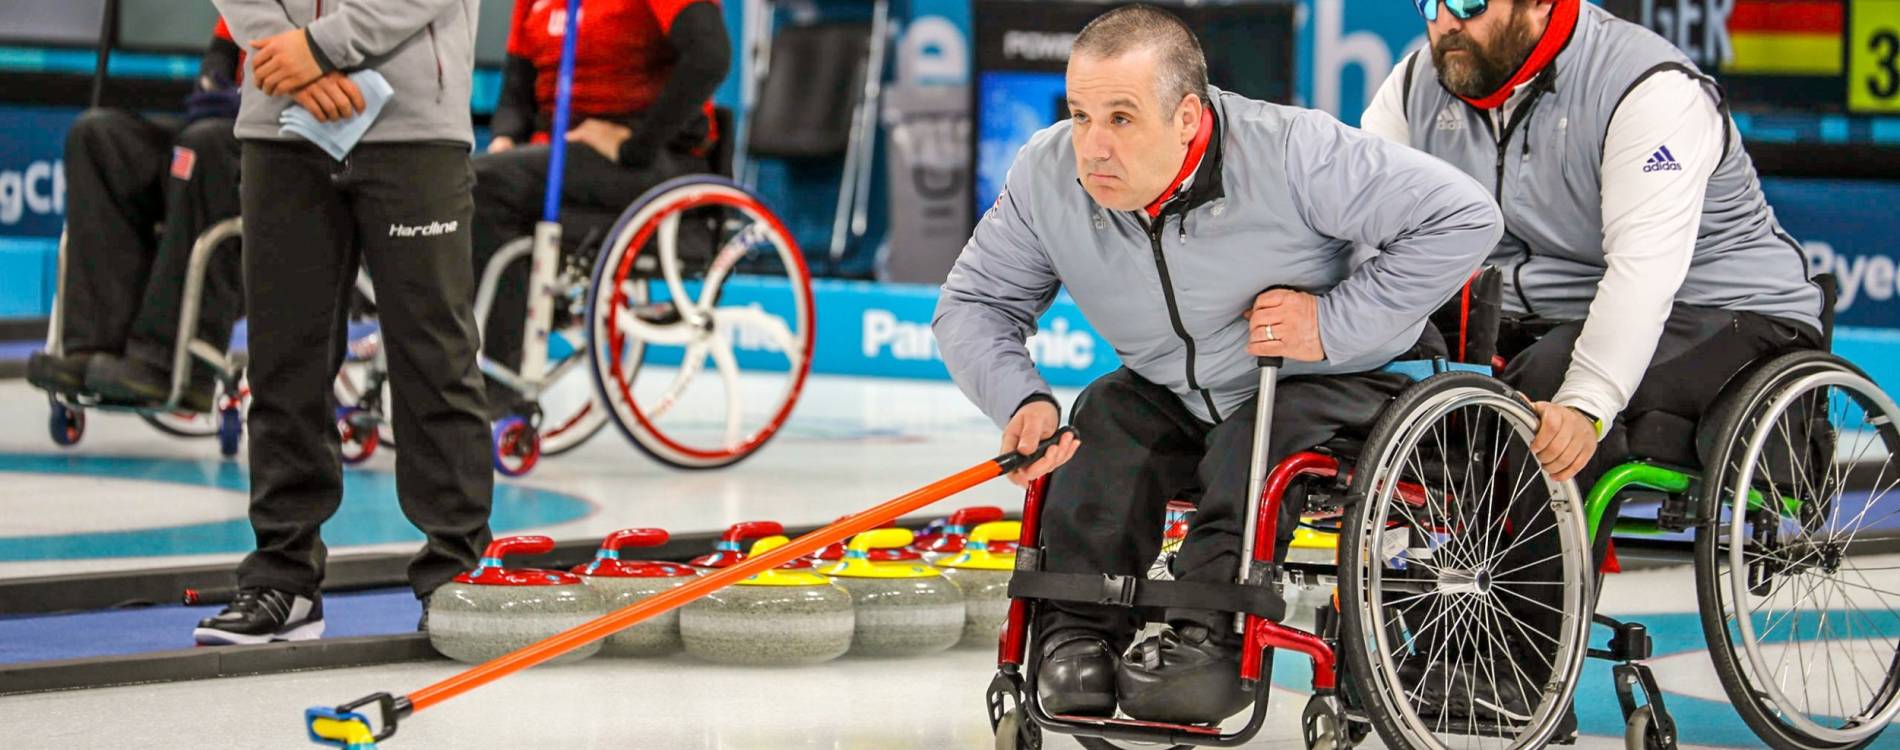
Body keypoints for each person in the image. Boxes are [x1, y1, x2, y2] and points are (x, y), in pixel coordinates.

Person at [933, 4, 1501, 725]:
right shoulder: (1047, 176)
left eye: (1121, 118)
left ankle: (1211, 635)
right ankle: (1076, 631)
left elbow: (1466, 217)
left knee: (1259, 431)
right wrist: (1020, 399)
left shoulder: (1294, 152)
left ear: (1187, 117)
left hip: (1341, 380)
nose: (1093, 147)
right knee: (1103, 415)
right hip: (1183, 392)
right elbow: (975, 302)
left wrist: (1330, 323)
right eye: (1080, 116)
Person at [1360, 0, 1825, 725]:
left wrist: (1587, 401)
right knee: (1393, 381)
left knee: (1545, 389)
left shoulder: (1647, 86)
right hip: (1545, 315)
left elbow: (1644, 272)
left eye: (1470, 2)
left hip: (1726, 310)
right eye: (1429, 1)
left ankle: (1521, 669)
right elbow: (1363, 233)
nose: (1445, 20)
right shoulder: (1418, 84)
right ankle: (1399, 636)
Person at [196, 0, 494, 645]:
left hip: (413, 127)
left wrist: (321, 47)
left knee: (435, 360)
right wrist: (286, 55)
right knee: (283, 362)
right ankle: (284, 577)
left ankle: (458, 574)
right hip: (282, 124)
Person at [470, 0, 729, 412]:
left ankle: (499, 385)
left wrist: (635, 144)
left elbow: (710, 56)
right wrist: (505, 139)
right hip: (556, 156)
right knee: (466, 181)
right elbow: (517, 92)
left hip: (646, 158)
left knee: (483, 183)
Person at [27, 19, 246, 412]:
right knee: (97, 137)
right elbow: (222, 51)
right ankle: (96, 348)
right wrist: (214, 84)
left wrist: (254, 107)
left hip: (285, 147)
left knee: (203, 146)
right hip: (225, 131)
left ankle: (169, 362)